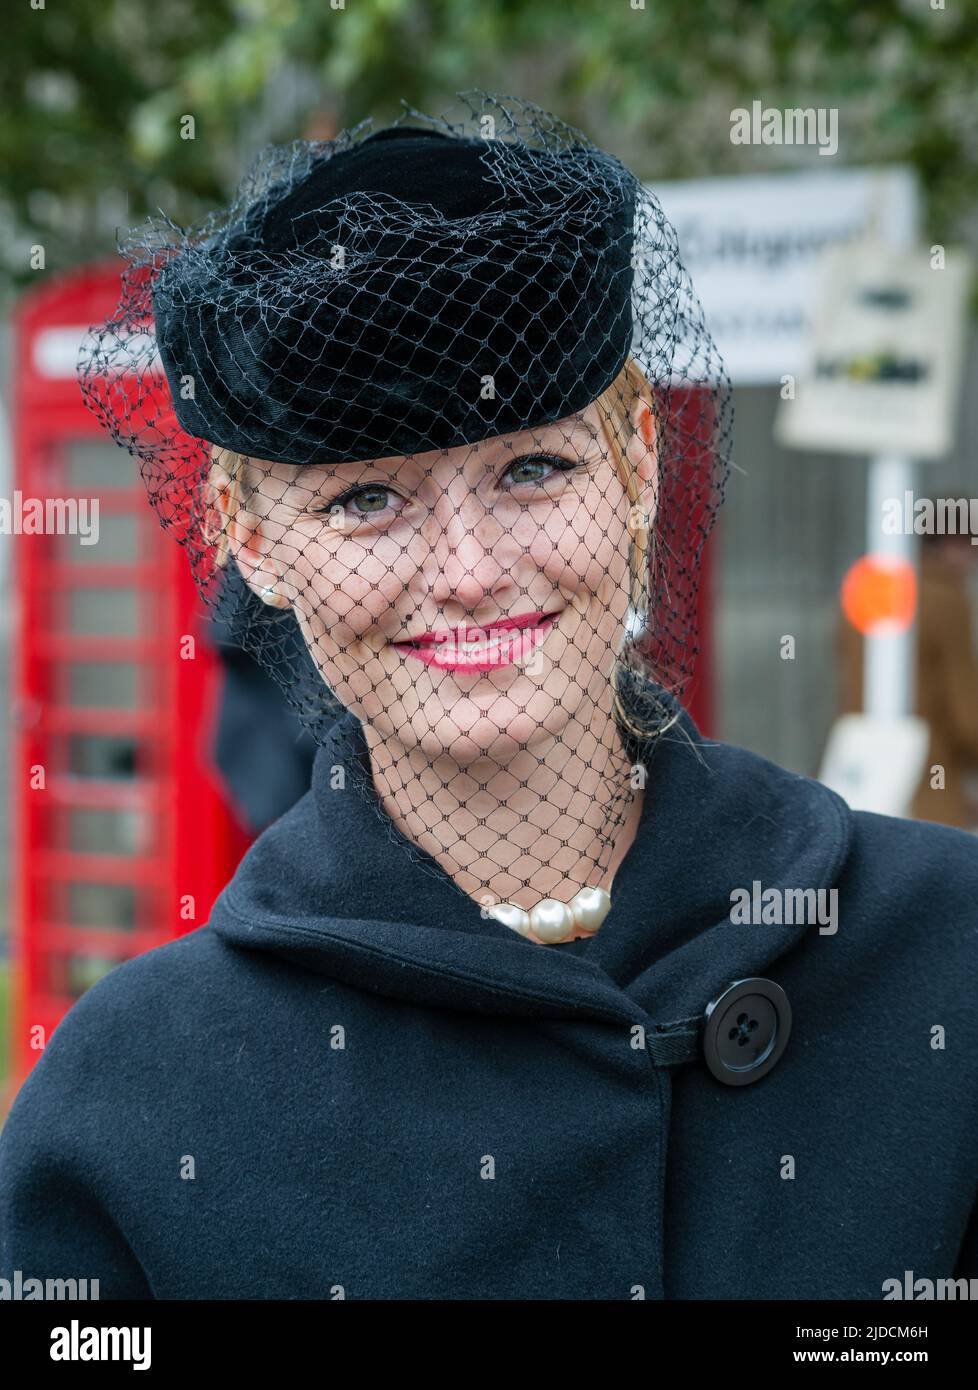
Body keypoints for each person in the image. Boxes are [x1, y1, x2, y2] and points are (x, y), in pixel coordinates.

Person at [2, 93, 977, 1301]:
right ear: (246, 534)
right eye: (368, 500)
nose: (467, 573)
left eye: (531, 468)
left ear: (637, 462)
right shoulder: (129, 1099)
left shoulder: (952, 948)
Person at [838, 528, 978, 830]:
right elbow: (967, 715)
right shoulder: (947, 600)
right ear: (955, 545)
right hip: (927, 779)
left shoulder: (868, 588)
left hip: (863, 770)